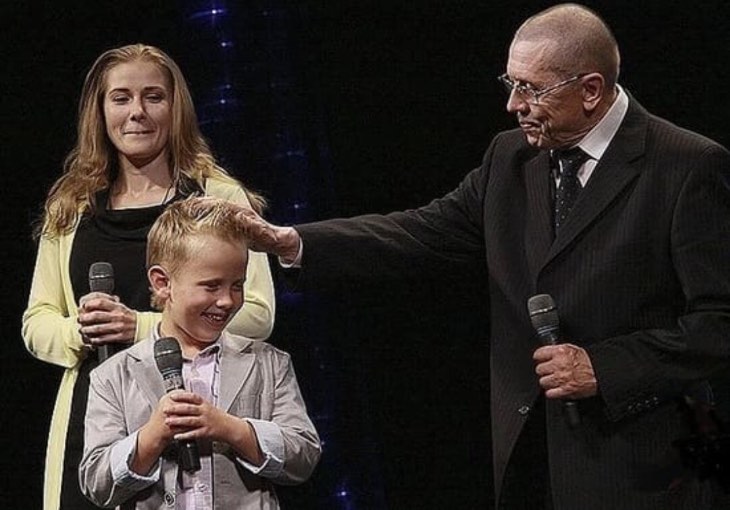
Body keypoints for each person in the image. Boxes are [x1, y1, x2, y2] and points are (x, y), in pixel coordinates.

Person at [234, 4, 730, 510]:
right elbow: (423, 233)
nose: (514, 105)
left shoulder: (687, 167)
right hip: (530, 462)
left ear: (590, 90)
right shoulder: (511, 157)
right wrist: (290, 241)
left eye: (531, 89)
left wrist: (604, 367)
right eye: (511, 84)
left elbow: (718, 322)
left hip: (647, 468)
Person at [22, 44, 275, 510]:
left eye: (153, 97)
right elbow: (37, 322)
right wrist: (79, 331)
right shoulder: (70, 207)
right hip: (94, 422)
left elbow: (258, 315)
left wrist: (141, 327)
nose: (136, 111)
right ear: (100, 111)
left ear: (176, 109)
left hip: (195, 417)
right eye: (121, 98)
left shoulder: (219, 197)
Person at [79, 196, 320, 508]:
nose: (227, 301)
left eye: (237, 285)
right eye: (211, 286)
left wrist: (230, 428)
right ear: (162, 283)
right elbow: (96, 482)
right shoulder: (114, 375)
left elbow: (303, 456)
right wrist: (153, 435)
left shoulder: (269, 363)